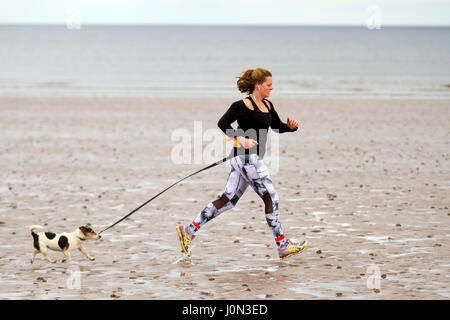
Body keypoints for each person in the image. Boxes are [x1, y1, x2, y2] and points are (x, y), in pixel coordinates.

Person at [176, 67, 308, 260]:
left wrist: (290, 127)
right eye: (269, 85)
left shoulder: (268, 106)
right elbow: (222, 124)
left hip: (248, 160)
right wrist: (241, 139)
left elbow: (277, 127)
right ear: (258, 85)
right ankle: (282, 245)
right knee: (271, 197)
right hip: (246, 158)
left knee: (228, 200)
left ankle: (188, 231)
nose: (272, 89)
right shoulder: (240, 106)